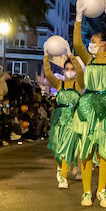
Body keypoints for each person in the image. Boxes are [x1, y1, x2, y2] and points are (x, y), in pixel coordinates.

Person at [71, 0, 106, 208]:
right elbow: (76, 42)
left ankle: (102, 190)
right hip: (88, 107)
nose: (90, 44)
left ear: (103, 43)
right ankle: (86, 191)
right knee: (86, 151)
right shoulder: (88, 58)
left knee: (105, 152)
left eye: (93, 41)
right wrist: (78, 16)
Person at [44, 52, 82, 186]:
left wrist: (72, 57)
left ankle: (63, 176)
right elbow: (48, 74)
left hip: (72, 119)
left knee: (67, 147)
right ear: (63, 70)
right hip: (58, 118)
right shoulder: (59, 84)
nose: (70, 72)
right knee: (55, 147)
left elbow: (82, 74)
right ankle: (60, 167)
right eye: (67, 69)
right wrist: (45, 57)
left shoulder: (78, 85)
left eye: (73, 69)